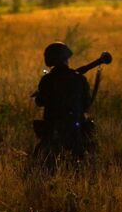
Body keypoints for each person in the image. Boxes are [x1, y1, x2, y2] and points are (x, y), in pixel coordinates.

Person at [32, 42, 92, 172]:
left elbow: (39, 102)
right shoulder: (79, 79)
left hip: (53, 126)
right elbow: (87, 104)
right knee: (86, 157)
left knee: (42, 162)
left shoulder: (47, 80)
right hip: (76, 126)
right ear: (66, 58)